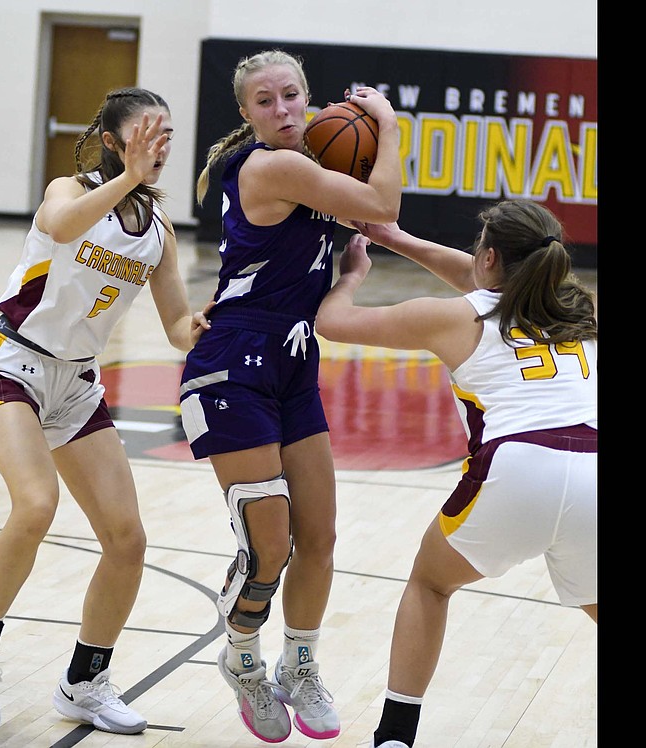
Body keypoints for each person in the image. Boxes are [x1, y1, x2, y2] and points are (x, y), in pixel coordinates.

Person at [315, 199, 597, 748]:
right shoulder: (575, 306)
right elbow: (487, 279)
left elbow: (333, 323)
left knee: (430, 583)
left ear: (488, 256)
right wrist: (397, 239)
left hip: (518, 467)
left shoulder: (452, 318)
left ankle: (395, 735)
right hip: (593, 471)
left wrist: (352, 274)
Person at [178, 49, 401, 743]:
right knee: (268, 547)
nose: (282, 111)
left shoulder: (311, 169)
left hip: (292, 363)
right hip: (231, 366)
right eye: (266, 101)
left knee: (322, 537)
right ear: (245, 113)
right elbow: (383, 204)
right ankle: (242, 659)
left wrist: (350, 274)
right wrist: (387, 128)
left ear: (308, 97)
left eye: (291, 96)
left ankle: (299, 666)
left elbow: (361, 232)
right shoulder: (271, 166)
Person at [0, 87, 211, 736]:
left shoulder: (159, 232)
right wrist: (128, 184)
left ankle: (85, 681)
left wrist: (210, 324)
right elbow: (60, 227)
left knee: (127, 538)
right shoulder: (69, 189)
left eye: (166, 134)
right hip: (13, 363)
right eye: (145, 134)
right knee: (34, 506)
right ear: (113, 143)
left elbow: (174, 327)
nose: (158, 145)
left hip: (78, 383)